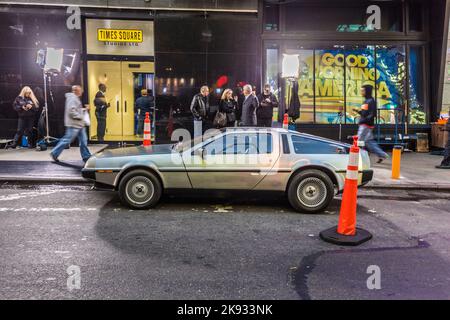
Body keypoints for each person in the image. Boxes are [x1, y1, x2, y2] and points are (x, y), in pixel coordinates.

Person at [50, 85, 91, 163]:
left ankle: (86, 156)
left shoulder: (75, 98)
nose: (82, 92)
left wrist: (84, 109)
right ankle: (54, 153)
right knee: (67, 140)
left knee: (83, 141)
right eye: (80, 90)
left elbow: (75, 110)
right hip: (74, 124)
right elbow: (71, 111)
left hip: (79, 124)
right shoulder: (72, 98)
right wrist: (80, 116)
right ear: (76, 91)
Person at [355, 84, 388, 164]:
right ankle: (382, 155)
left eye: (363, 90)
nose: (361, 92)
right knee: (369, 142)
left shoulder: (371, 101)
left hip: (365, 125)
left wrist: (365, 120)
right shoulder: (366, 101)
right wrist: (358, 111)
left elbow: (373, 114)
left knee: (359, 141)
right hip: (365, 124)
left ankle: (358, 157)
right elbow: (364, 113)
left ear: (367, 91)